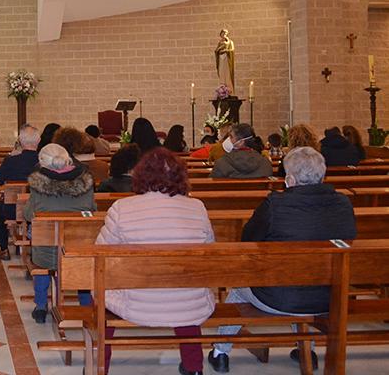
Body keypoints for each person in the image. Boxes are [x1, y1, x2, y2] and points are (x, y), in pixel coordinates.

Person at [209, 147, 357, 373]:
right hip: (330, 298)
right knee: (308, 275)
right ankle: (308, 351)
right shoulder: (343, 204)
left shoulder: (274, 204)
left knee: (238, 287)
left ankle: (220, 352)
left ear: (289, 179)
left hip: (277, 298)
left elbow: (248, 240)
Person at [97, 148, 214, 375]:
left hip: (137, 302)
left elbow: (100, 253)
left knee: (102, 292)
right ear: (180, 176)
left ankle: (102, 364)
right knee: (185, 288)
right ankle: (193, 366)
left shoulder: (122, 208)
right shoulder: (197, 207)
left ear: (141, 175)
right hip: (187, 302)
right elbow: (207, 250)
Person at [23, 143, 95, 323]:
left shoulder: (38, 185)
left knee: (40, 245)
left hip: (47, 253)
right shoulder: (86, 182)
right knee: (80, 257)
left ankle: (40, 305)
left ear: (42, 162)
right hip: (78, 248)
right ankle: (86, 303)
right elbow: (92, 209)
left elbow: (28, 214)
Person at [0, 125, 40, 260]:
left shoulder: (11, 161)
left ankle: (4, 248)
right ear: (39, 141)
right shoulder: (44, 161)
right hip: (39, 209)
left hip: (13, 209)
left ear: (20, 141)